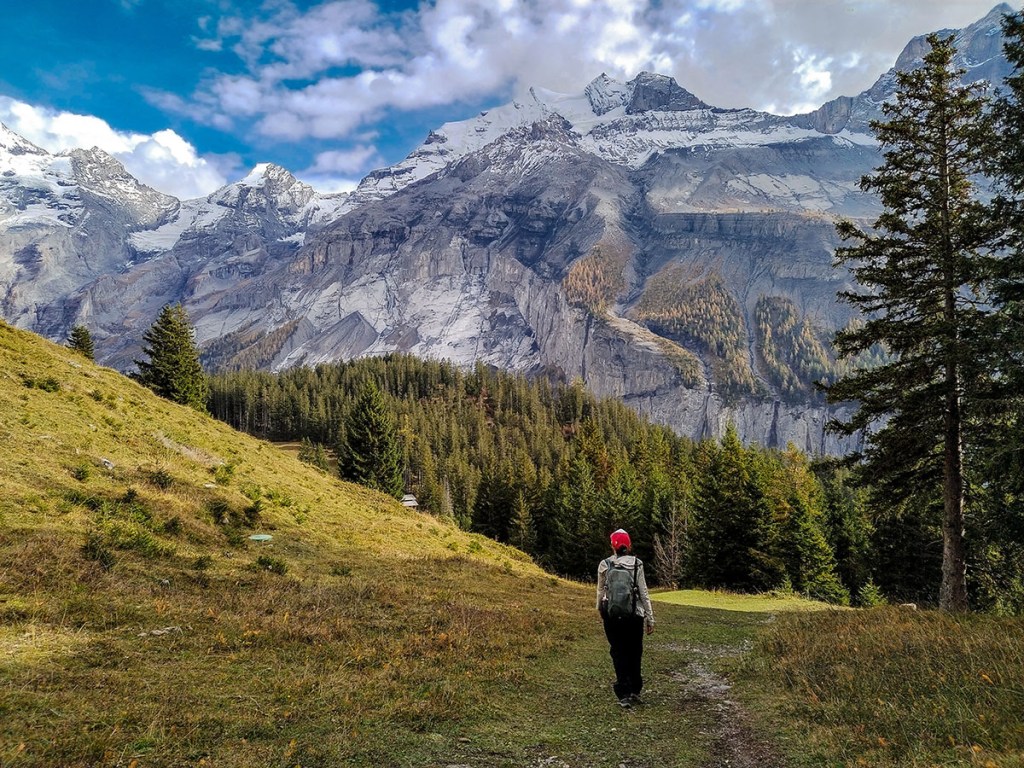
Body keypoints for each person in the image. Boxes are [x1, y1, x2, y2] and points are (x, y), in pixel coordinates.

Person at [596, 528, 655, 708]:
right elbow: (643, 593)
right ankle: (635, 689)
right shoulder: (637, 564)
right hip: (634, 616)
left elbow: (600, 591)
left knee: (618, 651)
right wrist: (650, 618)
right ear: (628, 545)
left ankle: (624, 693)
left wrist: (600, 609)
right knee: (634, 651)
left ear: (612, 545)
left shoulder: (605, 564)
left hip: (612, 616)